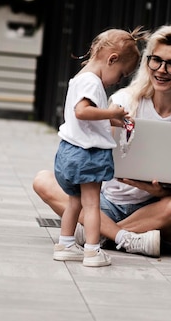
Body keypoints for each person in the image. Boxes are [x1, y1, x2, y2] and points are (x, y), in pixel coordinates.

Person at [34, 24, 171, 258]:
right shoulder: (123, 101)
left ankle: (99, 234)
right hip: (105, 203)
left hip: (154, 212)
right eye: (155, 60)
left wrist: (162, 191)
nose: (161, 70)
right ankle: (125, 239)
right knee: (44, 180)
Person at [51, 26, 145, 267]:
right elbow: (82, 112)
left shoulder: (80, 79)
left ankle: (65, 244)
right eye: (121, 75)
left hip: (70, 151)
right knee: (92, 205)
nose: (119, 81)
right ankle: (92, 251)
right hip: (88, 154)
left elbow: (90, 118)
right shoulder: (93, 83)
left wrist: (116, 120)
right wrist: (113, 111)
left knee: (75, 202)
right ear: (112, 59)